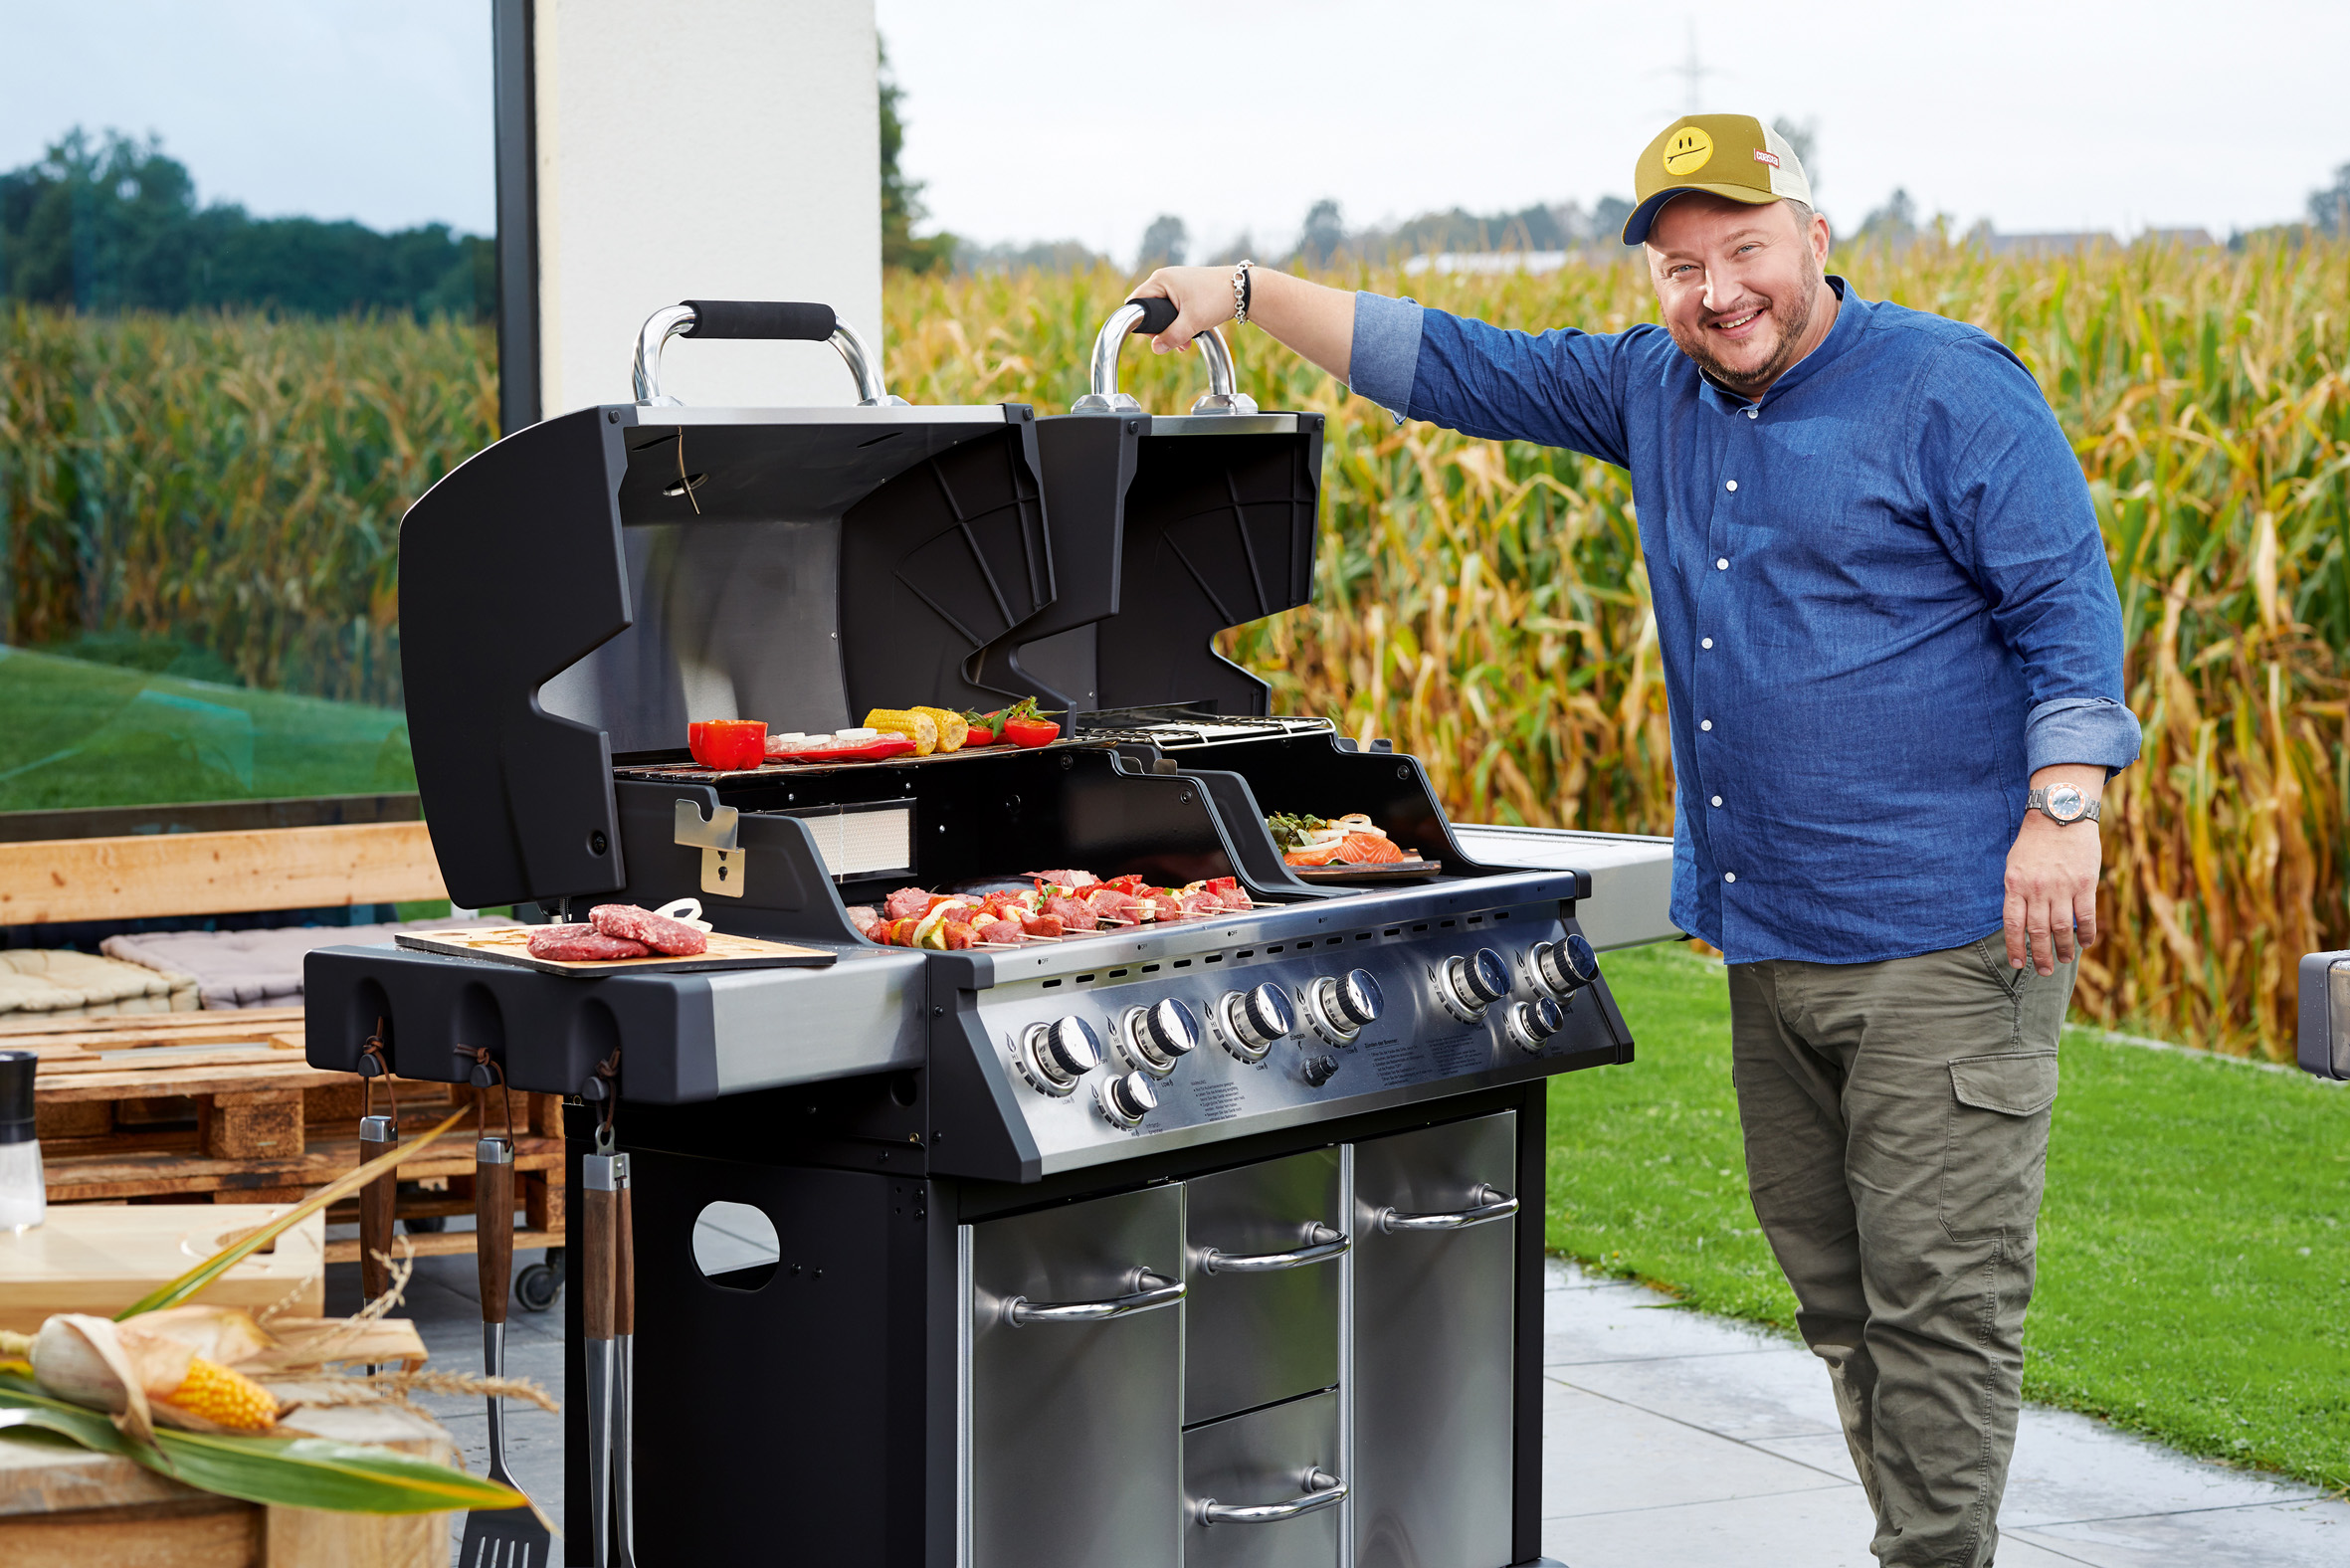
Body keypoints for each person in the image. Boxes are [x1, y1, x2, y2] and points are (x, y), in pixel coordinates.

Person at [1134, 113, 2141, 1568]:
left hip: (1940, 936)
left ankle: (1930, 1559)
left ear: (1811, 237)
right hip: (1771, 931)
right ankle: (1927, 1539)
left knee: (1938, 1302)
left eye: (1742, 250)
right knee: (1841, 1300)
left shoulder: (1946, 389)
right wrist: (1241, 291)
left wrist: (2062, 813)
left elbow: (2064, 610)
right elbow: (1447, 360)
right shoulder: (1648, 389)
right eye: (1679, 266)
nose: (1715, 291)